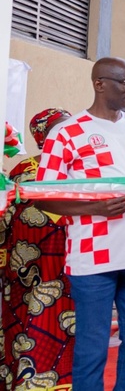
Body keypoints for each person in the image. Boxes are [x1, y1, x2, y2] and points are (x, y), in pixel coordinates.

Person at [35, 57, 125, 391]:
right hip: (92, 259)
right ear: (99, 83)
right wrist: (94, 207)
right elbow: (42, 196)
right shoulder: (66, 133)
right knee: (92, 349)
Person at [1, 108, 74, 390]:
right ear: (42, 135)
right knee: (28, 328)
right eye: (59, 128)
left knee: (70, 330)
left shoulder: (81, 170)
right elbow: (6, 218)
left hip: (71, 268)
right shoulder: (23, 171)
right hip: (27, 274)